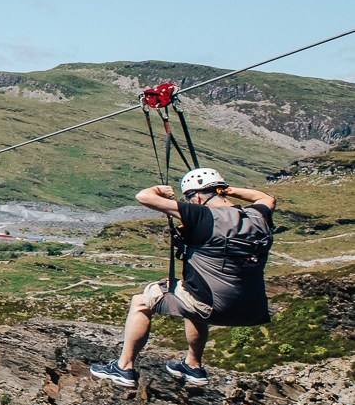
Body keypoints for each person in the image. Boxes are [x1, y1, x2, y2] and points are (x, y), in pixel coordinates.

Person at [90, 167, 275, 392]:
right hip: (252, 310)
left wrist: (158, 190)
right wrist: (226, 190)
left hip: (213, 307)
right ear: (220, 191)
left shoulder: (201, 214)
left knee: (141, 301)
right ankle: (193, 366)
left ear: (196, 197)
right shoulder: (258, 217)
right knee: (190, 291)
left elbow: (144, 197)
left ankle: (124, 367)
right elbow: (265, 197)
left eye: (189, 198)